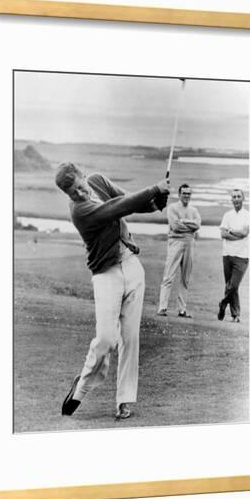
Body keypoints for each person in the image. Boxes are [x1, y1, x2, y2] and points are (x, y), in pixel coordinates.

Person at [55, 162, 170, 420]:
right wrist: (154, 188)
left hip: (131, 266)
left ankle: (124, 401)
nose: (80, 193)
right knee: (106, 339)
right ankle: (81, 388)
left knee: (131, 339)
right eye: (73, 193)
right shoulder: (80, 211)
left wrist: (154, 203)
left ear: (84, 176)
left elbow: (126, 199)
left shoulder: (98, 180)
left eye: (80, 186)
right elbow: (116, 208)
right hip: (106, 275)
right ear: (68, 195)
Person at [157, 183, 201, 318]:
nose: (186, 196)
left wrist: (184, 221)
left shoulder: (193, 210)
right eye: (184, 193)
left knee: (185, 277)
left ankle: (182, 309)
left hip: (189, 244)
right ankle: (162, 307)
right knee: (168, 276)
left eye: (189, 193)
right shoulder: (172, 208)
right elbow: (175, 226)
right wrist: (189, 225)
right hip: (176, 242)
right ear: (179, 194)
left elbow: (197, 224)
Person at [217, 189, 249, 322]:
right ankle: (236, 315)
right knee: (230, 285)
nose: (236, 199)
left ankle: (223, 303)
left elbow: (244, 233)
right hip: (227, 254)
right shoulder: (227, 215)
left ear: (243, 199)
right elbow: (223, 234)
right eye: (234, 197)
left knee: (233, 285)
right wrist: (235, 234)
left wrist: (231, 231)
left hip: (242, 255)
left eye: (238, 197)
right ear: (231, 200)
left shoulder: (248, 215)